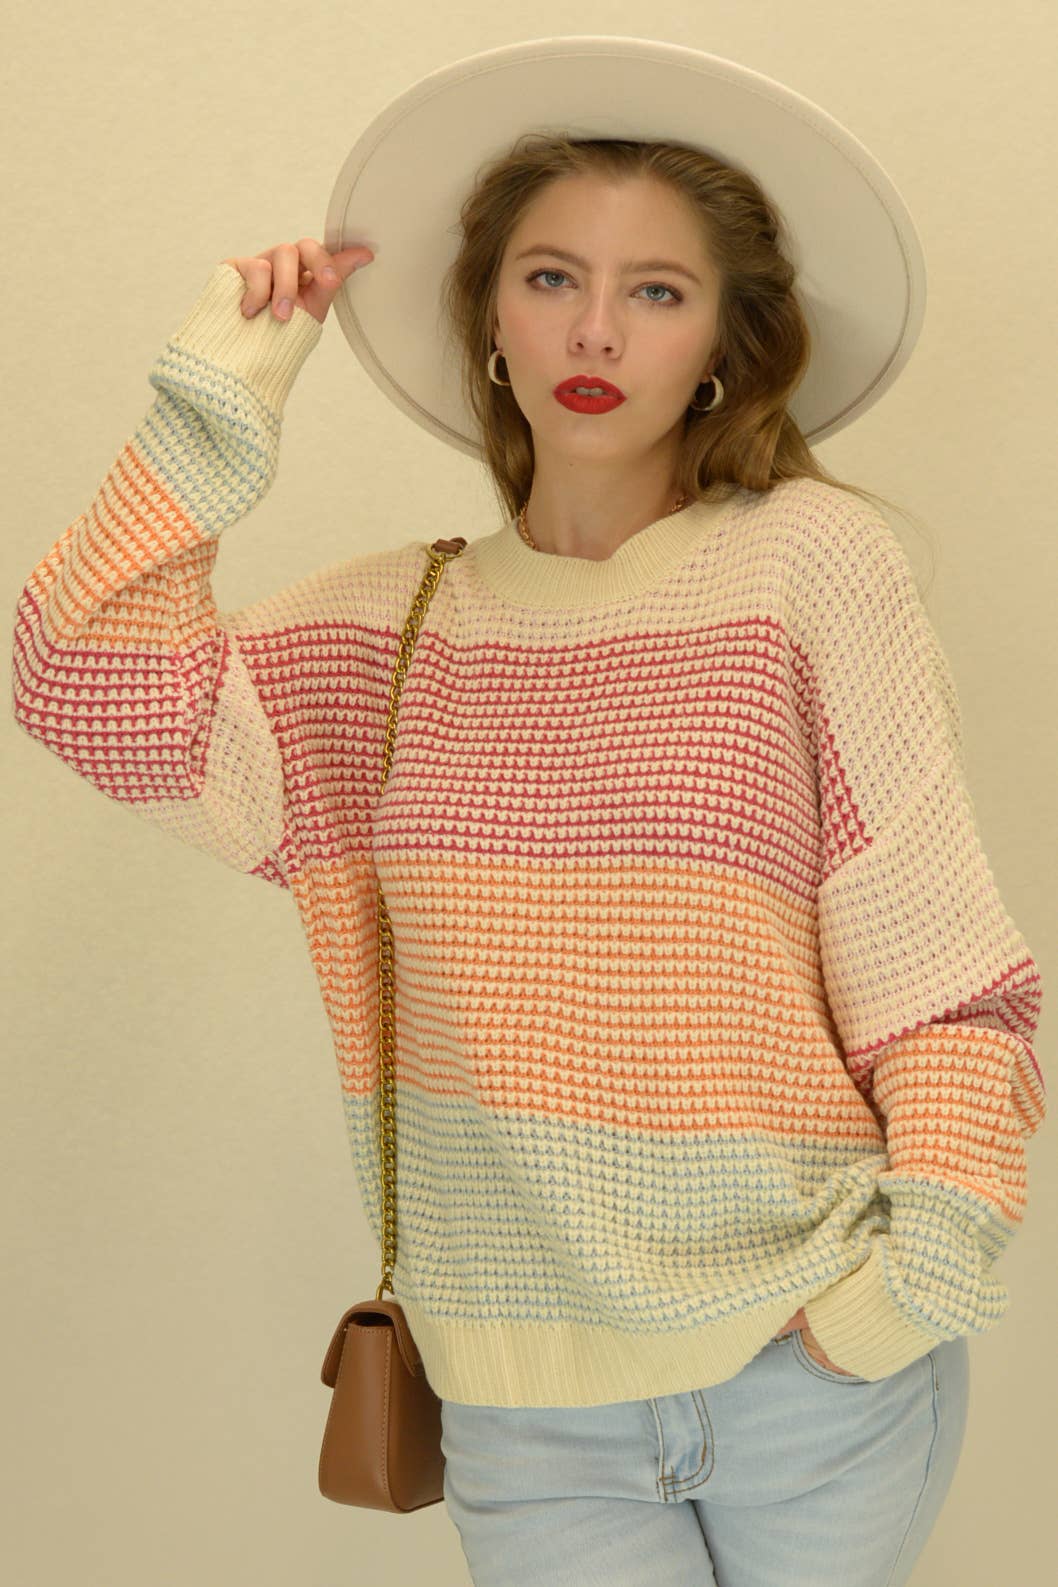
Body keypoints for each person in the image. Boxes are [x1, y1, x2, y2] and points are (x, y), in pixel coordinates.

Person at [11, 37, 1046, 1587]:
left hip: (804, 1370)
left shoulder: (808, 569)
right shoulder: (382, 633)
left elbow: (945, 981)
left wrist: (902, 1290)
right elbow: (80, 681)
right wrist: (217, 403)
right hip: (519, 1401)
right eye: (551, 277)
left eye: (656, 291)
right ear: (488, 316)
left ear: (722, 342)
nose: (595, 329)